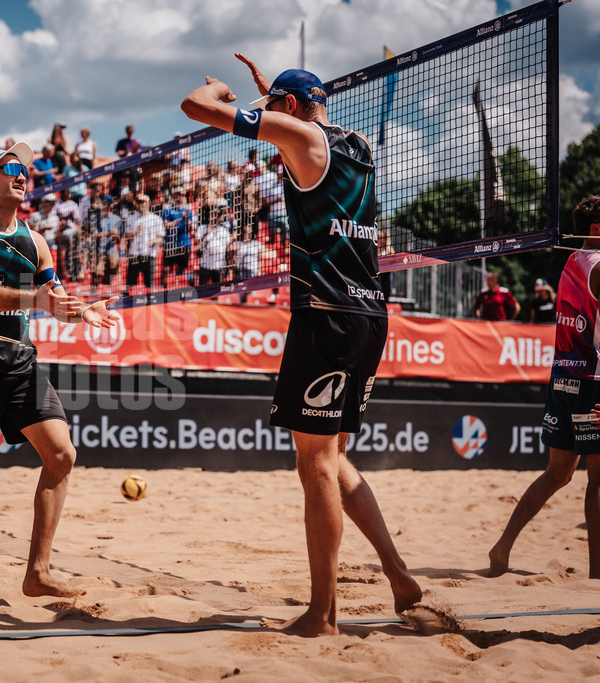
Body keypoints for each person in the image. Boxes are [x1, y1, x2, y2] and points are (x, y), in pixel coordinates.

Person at [182, 57, 421, 637]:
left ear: (287, 110)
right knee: (334, 458)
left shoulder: (299, 133)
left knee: (313, 464)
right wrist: (275, 97)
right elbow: (303, 124)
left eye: (275, 110)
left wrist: (222, 87)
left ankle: (323, 616)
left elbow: (196, 107)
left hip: (326, 317)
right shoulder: (357, 143)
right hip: (369, 314)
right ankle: (399, 575)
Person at [0, 141, 120, 598]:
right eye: (11, 168)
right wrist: (35, 300)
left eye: (25, 170)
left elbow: (52, 299)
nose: (22, 175)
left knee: (62, 455)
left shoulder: (36, 241)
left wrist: (79, 313)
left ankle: (37, 573)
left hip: (21, 365)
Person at [488, 194, 600, 581]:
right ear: (597, 228)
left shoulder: (572, 261)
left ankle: (502, 547)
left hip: (562, 377)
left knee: (557, 473)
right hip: (594, 382)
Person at [124, 194, 164, 294]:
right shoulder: (131, 218)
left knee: (149, 285)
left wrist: (154, 242)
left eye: (143, 202)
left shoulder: (156, 219)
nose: (141, 204)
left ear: (149, 203)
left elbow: (160, 237)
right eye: (139, 202)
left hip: (149, 254)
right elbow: (126, 235)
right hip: (134, 254)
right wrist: (134, 233)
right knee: (130, 284)